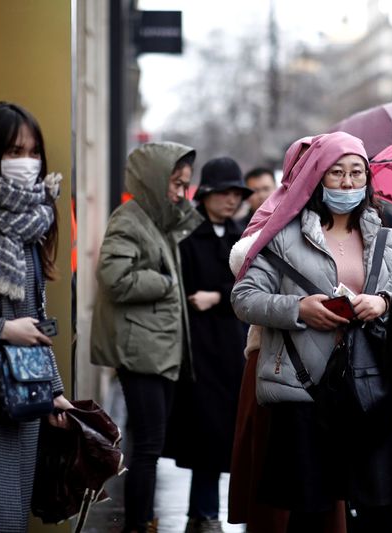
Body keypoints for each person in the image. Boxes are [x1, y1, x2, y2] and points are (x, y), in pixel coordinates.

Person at [231, 131, 392, 533]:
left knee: (375, 508)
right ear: (316, 178)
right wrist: (299, 309)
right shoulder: (280, 240)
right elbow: (243, 298)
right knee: (309, 511)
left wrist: (384, 303)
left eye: (357, 173)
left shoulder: (389, 241)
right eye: (337, 174)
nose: (348, 184)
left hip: (368, 392)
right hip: (302, 391)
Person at [90, 142, 203, 533]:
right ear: (155, 179)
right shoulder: (129, 220)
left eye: (185, 185)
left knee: (150, 444)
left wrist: (179, 207)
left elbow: (184, 219)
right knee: (148, 447)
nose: (180, 193)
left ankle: (142, 519)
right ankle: (138, 523)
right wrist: (165, 281)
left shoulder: (156, 220)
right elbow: (114, 278)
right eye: (175, 183)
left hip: (156, 348)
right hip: (141, 351)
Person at [0, 101, 73, 532]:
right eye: (15, 151)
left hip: (22, 391)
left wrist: (53, 391)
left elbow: (35, 316)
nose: (27, 163)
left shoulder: (35, 222)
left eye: (33, 152)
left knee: (14, 508)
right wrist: (1, 329)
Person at [165, 157, 251, 533]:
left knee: (228, 434)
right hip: (197, 348)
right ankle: (202, 513)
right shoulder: (186, 234)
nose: (231, 201)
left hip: (233, 347)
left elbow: (253, 283)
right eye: (224, 193)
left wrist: (218, 296)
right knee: (204, 433)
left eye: (237, 194)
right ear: (207, 195)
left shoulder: (242, 235)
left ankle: (211, 513)